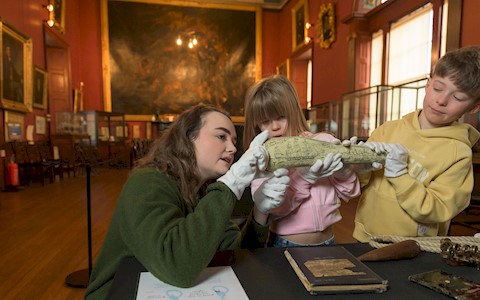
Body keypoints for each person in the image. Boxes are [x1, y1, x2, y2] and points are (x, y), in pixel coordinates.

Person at [85, 104, 290, 299]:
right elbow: (177, 267)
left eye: (234, 141)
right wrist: (231, 184)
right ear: (188, 138)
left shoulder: (204, 191)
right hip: (120, 291)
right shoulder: (147, 181)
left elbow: (233, 251)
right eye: (221, 136)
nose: (232, 148)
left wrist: (260, 213)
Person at [350, 45, 480, 243]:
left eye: (457, 97)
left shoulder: (458, 153)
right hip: (365, 236)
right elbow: (359, 185)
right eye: (438, 88)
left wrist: (399, 175)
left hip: (415, 248)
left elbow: (437, 209)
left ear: (475, 107)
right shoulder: (389, 129)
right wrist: (358, 167)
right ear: (428, 85)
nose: (441, 100)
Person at [243, 75, 360, 247]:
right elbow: (273, 209)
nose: (274, 127)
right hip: (286, 245)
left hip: (329, 242)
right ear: (256, 125)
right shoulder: (263, 161)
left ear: (294, 111)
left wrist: (344, 173)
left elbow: (350, 192)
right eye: (265, 122)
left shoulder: (323, 141)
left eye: (281, 117)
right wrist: (305, 177)